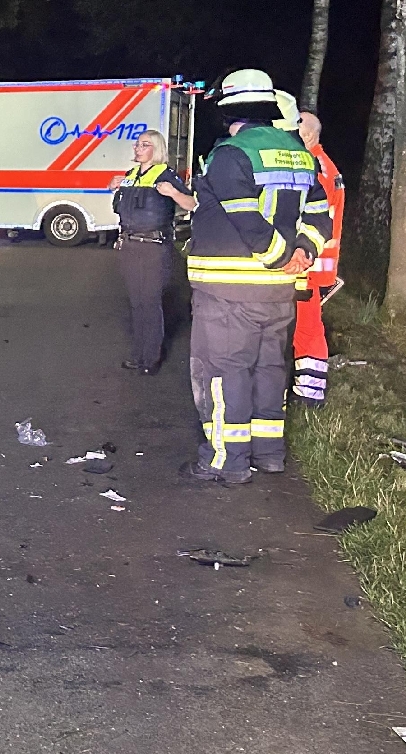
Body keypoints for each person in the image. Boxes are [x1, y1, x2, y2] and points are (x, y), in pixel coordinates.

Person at [181, 70, 330, 486]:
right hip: (278, 294)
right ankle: (268, 453)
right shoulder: (299, 154)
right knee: (268, 370)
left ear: (228, 110)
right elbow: (320, 214)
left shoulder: (231, 154)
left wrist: (279, 257)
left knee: (223, 371)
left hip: (229, 292)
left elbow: (245, 217)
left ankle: (225, 461)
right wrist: (303, 253)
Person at [112, 129, 191, 374]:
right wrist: (114, 187)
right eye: (137, 144)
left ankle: (151, 358)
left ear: (156, 149)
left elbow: (192, 204)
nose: (138, 148)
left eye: (144, 145)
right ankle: (139, 355)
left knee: (150, 302)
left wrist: (174, 192)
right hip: (130, 245)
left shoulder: (166, 175)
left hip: (154, 248)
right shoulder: (130, 176)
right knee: (137, 303)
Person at [292, 109, 344, 406]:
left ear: (309, 135)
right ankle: (307, 390)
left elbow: (308, 216)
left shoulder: (316, 169)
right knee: (306, 325)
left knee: (307, 328)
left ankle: (309, 394)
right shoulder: (324, 165)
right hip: (315, 262)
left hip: (308, 264)